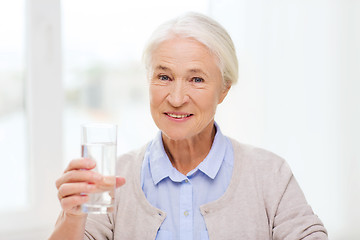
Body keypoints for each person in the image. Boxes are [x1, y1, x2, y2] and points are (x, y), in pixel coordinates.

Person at [49, 12, 328, 240]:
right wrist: (72, 216)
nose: (177, 98)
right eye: (164, 77)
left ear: (224, 89)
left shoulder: (270, 174)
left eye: (196, 79)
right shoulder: (114, 178)